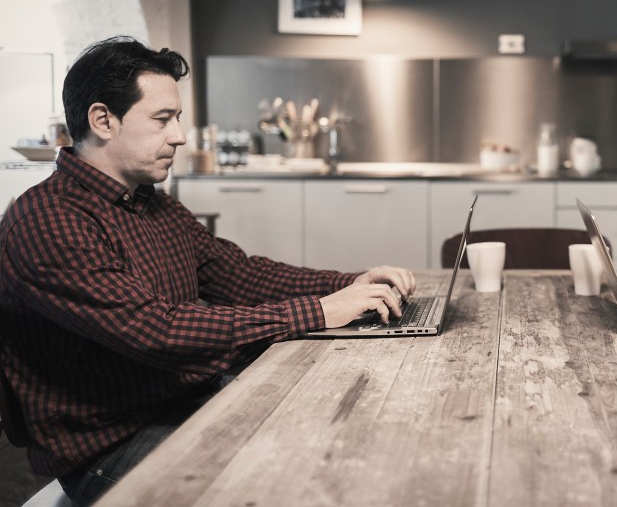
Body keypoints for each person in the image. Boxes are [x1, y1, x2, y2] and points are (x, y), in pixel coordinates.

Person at [0, 37, 416, 505]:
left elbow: (238, 275)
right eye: (162, 119)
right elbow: (155, 329)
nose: (178, 135)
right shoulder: (48, 221)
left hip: (187, 401)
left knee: (342, 435)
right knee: (295, 487)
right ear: (103, 121)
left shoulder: (150, 205)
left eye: (176, 118)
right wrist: (318, 312)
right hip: (111, 445)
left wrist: (350, 284)